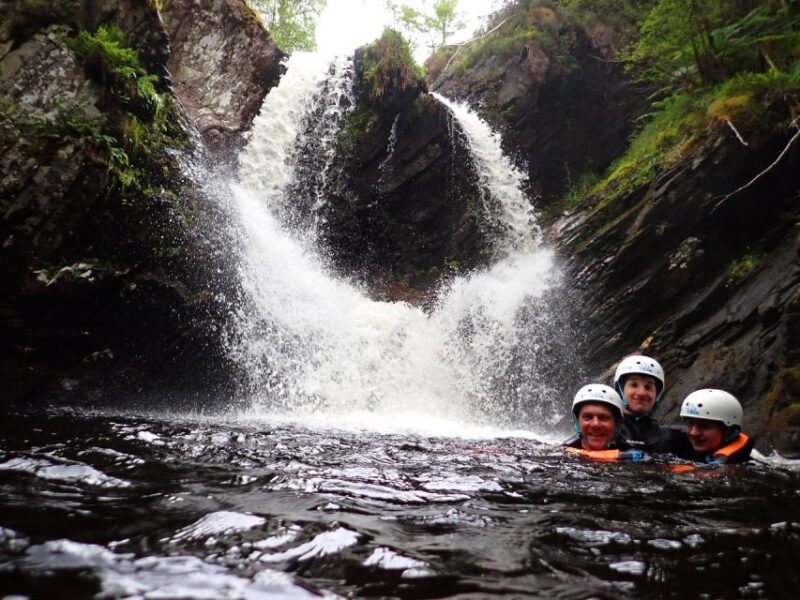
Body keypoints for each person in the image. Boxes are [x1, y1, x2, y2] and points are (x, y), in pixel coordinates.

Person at [613, 354, 690, 454]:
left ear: (657, 394)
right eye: (634, 385)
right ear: (620, 389)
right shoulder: (604, 430)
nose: (641, 393)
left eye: (648, 387)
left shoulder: (672, 437)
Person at [563, 384, 648, 461]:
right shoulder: (563, 453)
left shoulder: (634, 454)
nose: (595, 424)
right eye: (588, 417)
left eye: (603, 418)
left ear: (617, 424)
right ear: (578, 423)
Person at [676, 389, 754, 464]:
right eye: (690, 424)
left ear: (728, 431)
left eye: (704, 426)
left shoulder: (741, 464)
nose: (693, 433)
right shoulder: (680, 441)